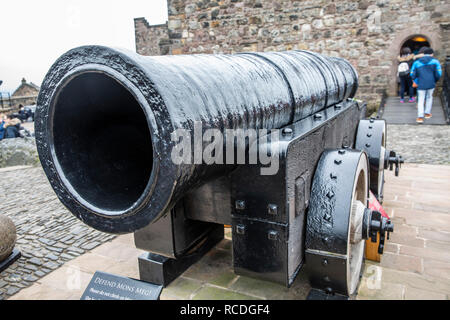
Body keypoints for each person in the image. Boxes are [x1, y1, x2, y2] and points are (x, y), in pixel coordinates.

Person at [410, 47, 442, 123]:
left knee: (421, 99)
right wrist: (435, 80)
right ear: (432, 54)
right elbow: (439, 74)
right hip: (431, 83)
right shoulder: (435, 62)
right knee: (429, 97)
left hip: (421, 83)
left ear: (423, 54)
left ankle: (420, 117)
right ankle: (427, 113)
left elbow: (412, 74)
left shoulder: (417, 62)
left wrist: (416, 80)